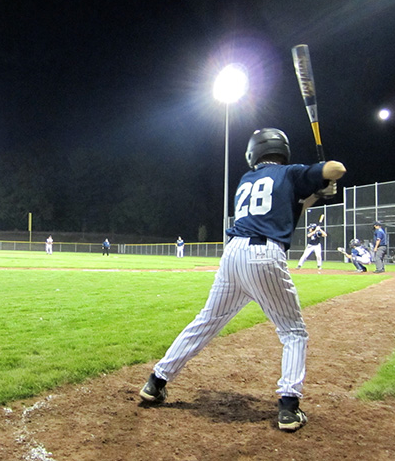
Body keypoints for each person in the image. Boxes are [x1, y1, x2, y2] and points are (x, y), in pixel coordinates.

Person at [138, 128, 346, 432]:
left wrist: (316, 193)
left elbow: (291, 209)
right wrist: (326, 178)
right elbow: (337, 168)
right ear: (282, 150)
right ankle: (289, 406)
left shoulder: (247, 180)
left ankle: (156, 381)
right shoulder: (289, 172)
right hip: (264, 255)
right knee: (293, 332)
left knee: (206, 321)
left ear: (255, 152)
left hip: (233, 256)